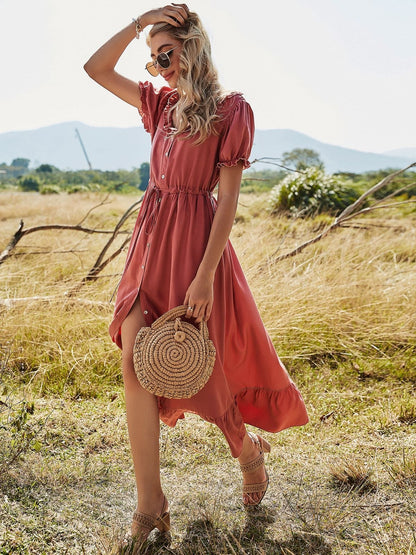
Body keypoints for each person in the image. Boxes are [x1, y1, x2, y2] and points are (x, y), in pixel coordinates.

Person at [84, 3, 308, 548]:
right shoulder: (159, 105)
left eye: (167, 53)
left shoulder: (232, 111)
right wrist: (143, 20)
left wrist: (206, 275)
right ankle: (150, 505)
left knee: (203, 368)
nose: (159, 66)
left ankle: (247, 451)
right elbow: (94, 67)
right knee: (138, 361)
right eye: (153, 58)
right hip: (150, 243)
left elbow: (227, 198)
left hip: (196, 250)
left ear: (193, 47)